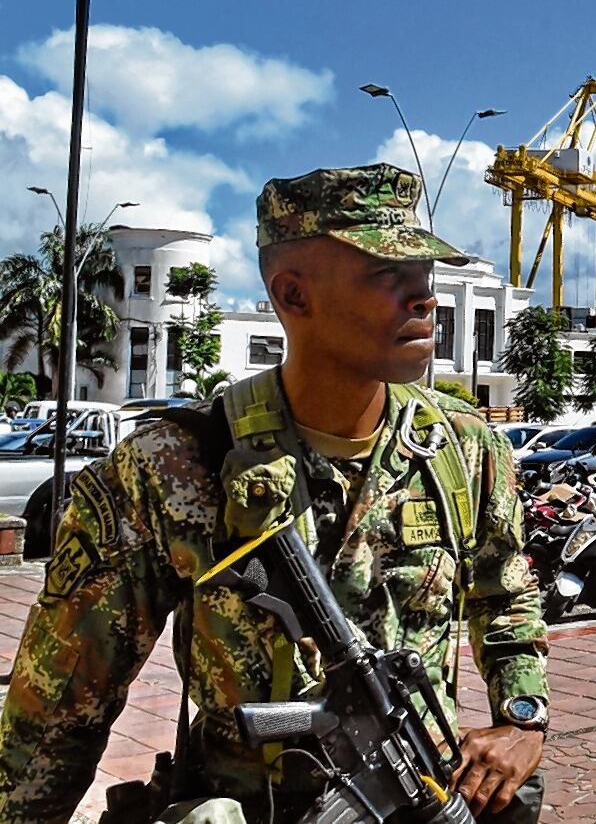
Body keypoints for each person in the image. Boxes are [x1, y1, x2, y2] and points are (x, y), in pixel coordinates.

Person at [0, 165, 550, 824]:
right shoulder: (174, 465)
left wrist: (524, 718)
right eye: (386, 274)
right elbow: (56, 716)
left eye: (424, 274)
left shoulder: (464, 450)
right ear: (293, 295)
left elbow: (507, 597)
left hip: (415, 798)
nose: (424, 298)